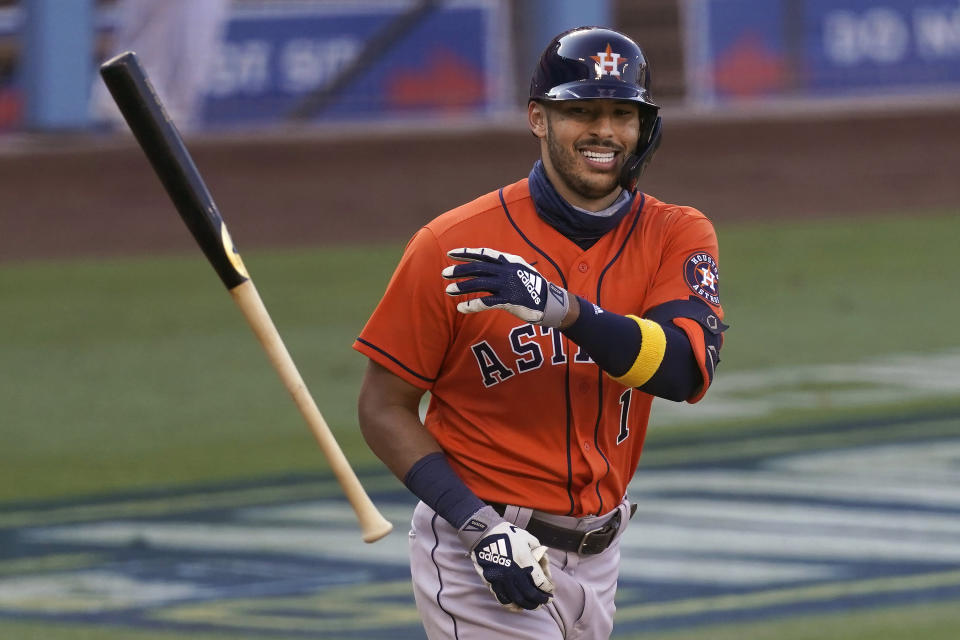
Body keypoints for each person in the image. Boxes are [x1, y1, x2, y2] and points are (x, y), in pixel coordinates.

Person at [354, 26, 727, 639]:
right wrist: (478, 528)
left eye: (621, 114)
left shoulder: (676, 233)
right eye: (580, 111)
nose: (604, 131)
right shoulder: (450, 245)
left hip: (601, 559)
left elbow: (683, 370)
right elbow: (383, 407)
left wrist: (566, 311)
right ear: (538, 118)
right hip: (480, 549)